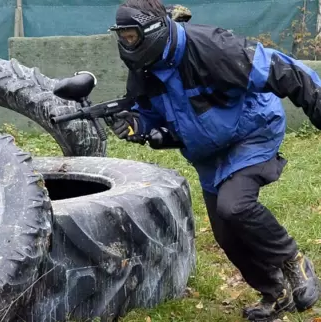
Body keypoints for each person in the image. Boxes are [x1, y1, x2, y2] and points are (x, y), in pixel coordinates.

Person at [107, 0, 321, 321]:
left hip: (253, 133)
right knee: (225, 232)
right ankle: (275, 293)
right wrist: (137, 124)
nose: (128, 43)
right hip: (209, 152)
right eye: (123, 37)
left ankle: (293, 261)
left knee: (234, 206)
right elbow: (149, 114)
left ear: (151, 31)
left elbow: (285, 69)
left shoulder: (212, 47)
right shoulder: (145, 68)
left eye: (132, 36)